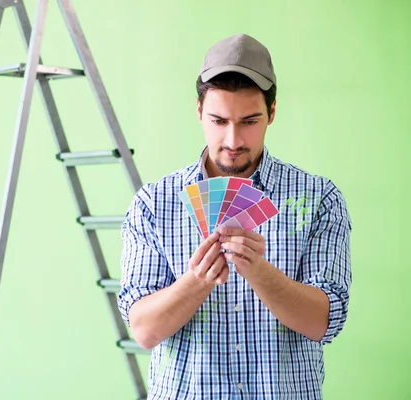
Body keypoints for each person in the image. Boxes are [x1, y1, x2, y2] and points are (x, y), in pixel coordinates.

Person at [117, 33, 352, 399]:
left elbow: (324, 322)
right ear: (198, 111)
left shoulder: (318, 199)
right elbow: (144, 330)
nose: (232, 139)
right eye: (218, 120)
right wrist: (197, 281)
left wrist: (259, 272)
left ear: (272, 113)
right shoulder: (154, 203)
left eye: (249, 121)